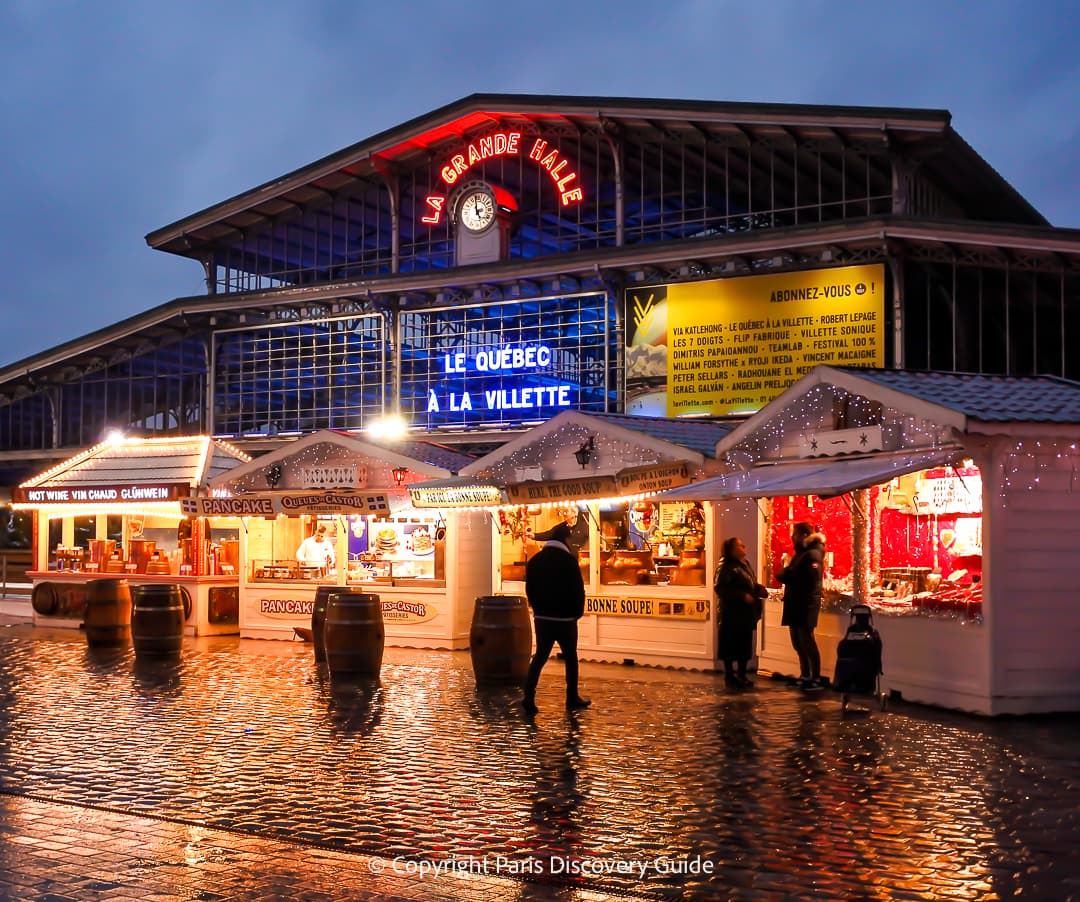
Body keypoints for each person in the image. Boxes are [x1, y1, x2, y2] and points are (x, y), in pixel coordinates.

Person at [521, 522, 590, 714]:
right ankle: (571, 697)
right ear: (566, 539)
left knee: (540, 656)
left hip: (543, 618)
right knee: (570, 657)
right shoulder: (569, 561)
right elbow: (578, 589)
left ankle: (528, 695)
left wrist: (536, 608)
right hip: (566, 619)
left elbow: (530, 589)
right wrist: (577, 612)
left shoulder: (535, 561)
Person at [777, 521, 826, 690]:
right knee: (798, 641)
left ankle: (815, 677)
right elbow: (789, 574)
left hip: (805, 605)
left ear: (804, 535)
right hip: (796, 603)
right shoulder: (802, 554)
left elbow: (797, 576)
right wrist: (788, 573)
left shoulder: (812, 555)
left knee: (806, 640)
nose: (792, 537)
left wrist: (787, 572)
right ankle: (805, 675)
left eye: (795, 533)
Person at [715, 536, 768, 689]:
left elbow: (749, 583)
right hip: (732, 613)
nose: (743, 546)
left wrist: (759, 589)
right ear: (732, 550)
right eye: (739, 545)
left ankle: (742, 674)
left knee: (744, 643)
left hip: (745, 613)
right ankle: (730, 675)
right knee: (731, 643)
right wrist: (741, 595)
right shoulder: (726, 566)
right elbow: (720, 588)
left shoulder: (744, 565)